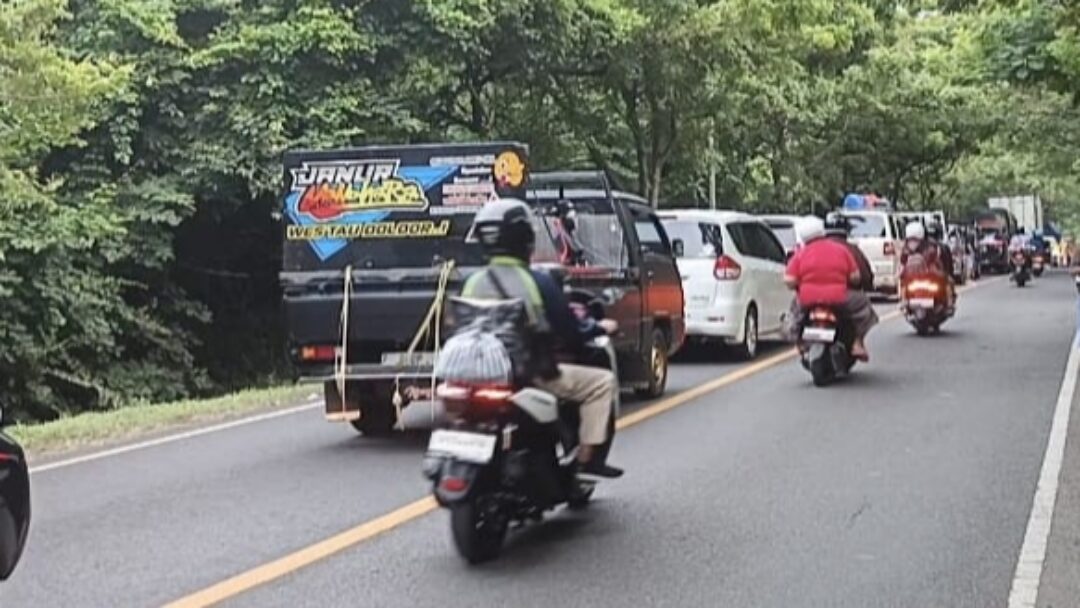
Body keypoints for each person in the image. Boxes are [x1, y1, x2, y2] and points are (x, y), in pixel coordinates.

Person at [462, 198, 623, 478]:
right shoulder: (536, 282)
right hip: (531, 376)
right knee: (601, 383)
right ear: (525, 238)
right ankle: (586, 459)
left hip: (477, 377)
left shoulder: (473, 282)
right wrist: (598, 328)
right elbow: (570, 332)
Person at [785, 216, 874, 361]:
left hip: (807, 299)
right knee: (864, 305)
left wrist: (800, 284)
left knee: (794, 315)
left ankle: (799, 342)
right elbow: (856, 276)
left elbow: (789, 281)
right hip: (839, 297)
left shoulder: (800, 254)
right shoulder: (841, 250)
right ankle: (858, 343)